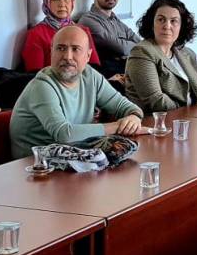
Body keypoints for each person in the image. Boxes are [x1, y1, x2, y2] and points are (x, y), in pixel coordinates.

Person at [10, 26, 146, 158]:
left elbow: (125, 107)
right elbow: (65, 135)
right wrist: (118, 126)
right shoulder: (42, 86)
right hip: (36, 164)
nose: (67, 56)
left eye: (75, 49)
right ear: (52, 52)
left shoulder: (90, 76)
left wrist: (134, 117)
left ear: (88, 56)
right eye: (60, 48)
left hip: (75, 156)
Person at [21, 0, 101, 72]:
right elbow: (35, 73)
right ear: (47, 3)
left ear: (72, 2)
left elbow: (94, 67)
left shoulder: (83, 31)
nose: (62, 4)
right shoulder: (36, 34)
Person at [77, 0, 143, 78]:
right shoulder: (88, 20)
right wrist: (133, 46)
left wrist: (134, 46)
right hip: (111, 77)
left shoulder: (114, 19)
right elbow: (122, 48)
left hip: (128, 69)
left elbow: (138, 41)